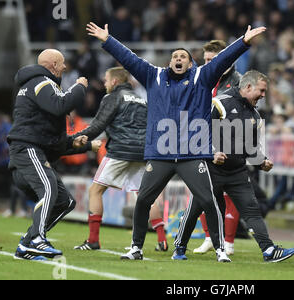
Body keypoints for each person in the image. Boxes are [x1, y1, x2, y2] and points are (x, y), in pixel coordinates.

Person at [86, 22, 266, 262]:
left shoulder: (202, 77)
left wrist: (243, 42)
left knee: (208, 201)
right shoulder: (154, 75)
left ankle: (221, 249)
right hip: (161, 153)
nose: (178, 58)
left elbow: (224, 60)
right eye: (175, 56)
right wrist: (108, 40)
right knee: (143, 200)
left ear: (191, 63)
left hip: (192, 153)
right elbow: (129, 59)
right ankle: (135, 247)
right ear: (170, 62)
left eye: (183, 56)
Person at [174, 70, 294, 262]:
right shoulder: (219, 103)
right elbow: (197, 132)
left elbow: (251, 148)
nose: (264, 95)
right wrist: (212, 152)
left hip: (237, 171)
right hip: (210, 169)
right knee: (196, 208)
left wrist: (261, 161)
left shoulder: (255, 115)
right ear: (248, 87)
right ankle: (180, 247)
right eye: (262, 90)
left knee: (252, 210)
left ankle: (268, 250)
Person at [7, 49, 95, 261]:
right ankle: (38, 239)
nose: (65, 67)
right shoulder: (41, 82)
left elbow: (49, 138)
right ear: (54, 64)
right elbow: (60, 106)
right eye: (62, 63)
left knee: (65, 202)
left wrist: (78, 144)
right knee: (48, 189)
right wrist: (80, 87)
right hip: (27, 150)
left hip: (33, 152)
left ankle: (27, 244)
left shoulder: (37, 85)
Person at [73, 66, 167, 252]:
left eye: (107, 80)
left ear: (115, 81)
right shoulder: (142, 99)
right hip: (142, 152)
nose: (105, 83)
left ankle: (93, 240)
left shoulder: (112, 97)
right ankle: (162, 240)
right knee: (145, 196)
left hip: (120, 151)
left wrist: (78, 137)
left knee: (95, 191)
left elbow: (99, 124)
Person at [194, 39, 244, 256]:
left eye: (211, 60)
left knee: (231, 191)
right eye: (205, 60)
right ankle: (209, 237)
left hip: (231, 138)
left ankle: (229, 242)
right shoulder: (201, 78)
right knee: (202, 188)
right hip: (203, 138)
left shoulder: (239, 81)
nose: (207, 64)